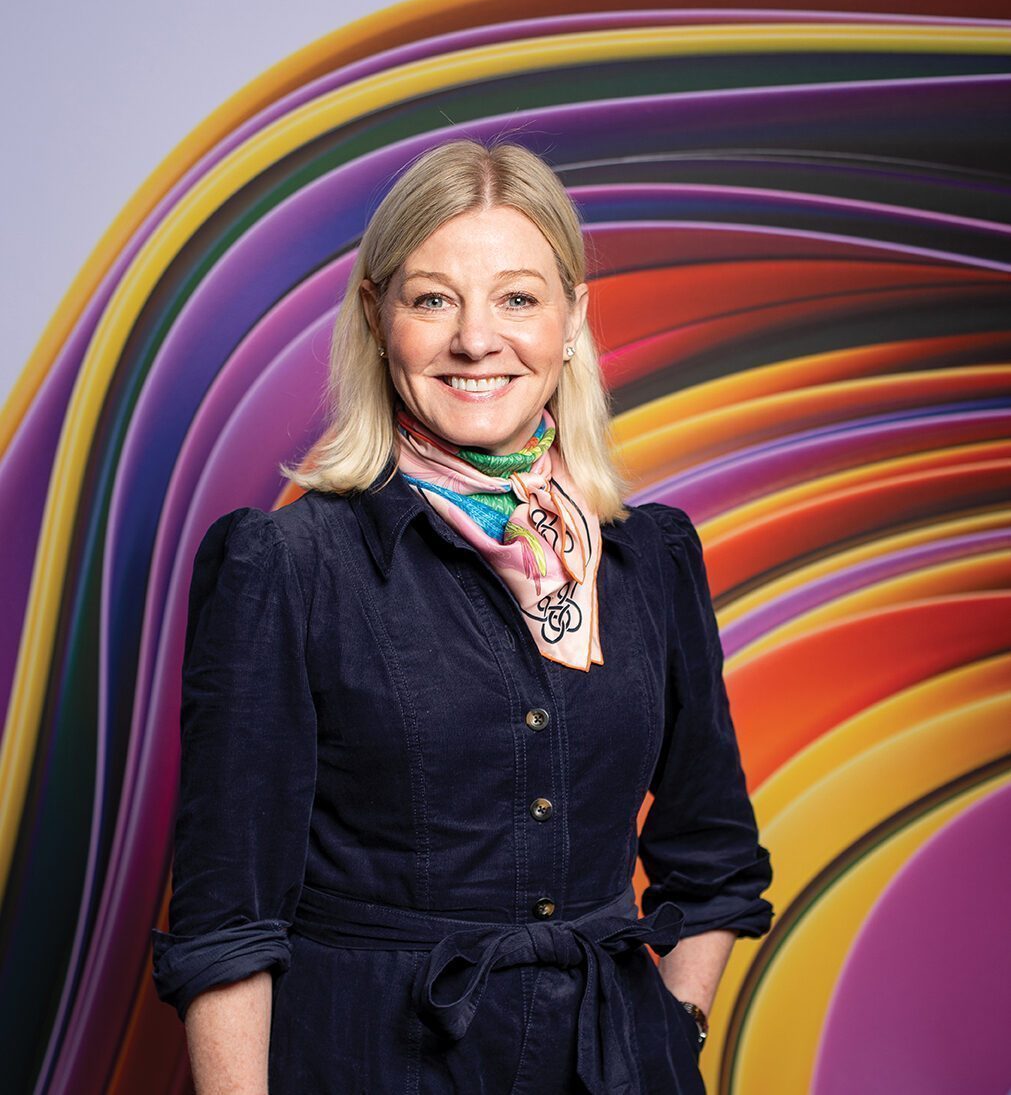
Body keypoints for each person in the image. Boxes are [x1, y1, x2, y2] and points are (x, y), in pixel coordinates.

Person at [151, 139, 774, 1094]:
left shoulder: (650, 559)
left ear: (571, 320)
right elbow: (226, 918)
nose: (476, 340)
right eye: (431, 297)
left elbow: (713, 857)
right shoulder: (285, 564)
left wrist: (669, 1032)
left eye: (518, 298)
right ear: (377, 317)